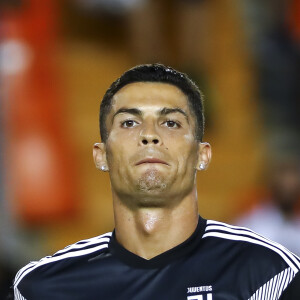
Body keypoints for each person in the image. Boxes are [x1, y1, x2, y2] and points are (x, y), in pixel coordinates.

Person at [13, 64, 300, 299]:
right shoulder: (41, 288)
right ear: (101, 156)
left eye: (171, 123)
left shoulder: (268, 274)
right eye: (129, 123)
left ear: (202, 154)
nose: (149, 135)